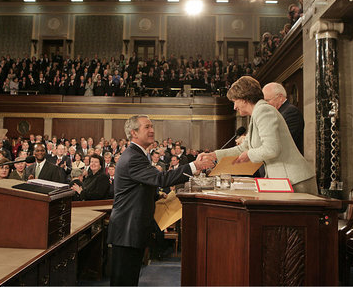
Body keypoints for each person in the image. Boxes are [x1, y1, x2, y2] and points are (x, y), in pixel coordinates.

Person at [107, 115, 213, 286]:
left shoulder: (137, 154)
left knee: (129, 279)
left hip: (131, 227)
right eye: (147, 127)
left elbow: (138, 187)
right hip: (127, 228)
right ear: (133, 133)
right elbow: (161, 179)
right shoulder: (134, 156)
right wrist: (195, 166)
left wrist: (158, 196)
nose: (152, 130)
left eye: (152, 126)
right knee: (124, 281)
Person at [201, 76, 317, 194]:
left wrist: (248, 155)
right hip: (286, 181)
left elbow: (271, 149)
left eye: (235, 101)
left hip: (296, 181)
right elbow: (244, 148)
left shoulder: (263, 111)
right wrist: (214, 155)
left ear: (244, 98)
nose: (234, 107)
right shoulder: (257, 113)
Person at [262, 82, 305, 154]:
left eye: (267, 100)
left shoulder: (292, 112)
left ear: (280, 97)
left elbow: (282, 141)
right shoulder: (277, 112)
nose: (266, 104)